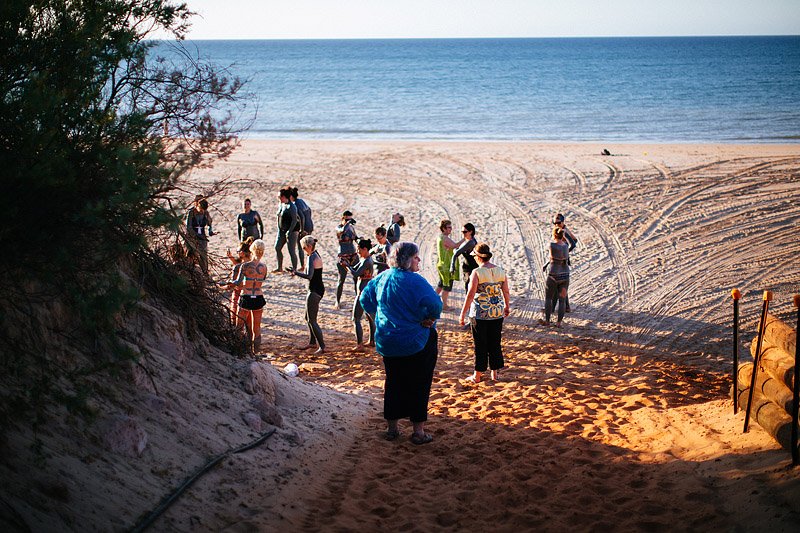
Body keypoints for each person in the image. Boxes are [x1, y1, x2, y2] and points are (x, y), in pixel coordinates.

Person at [360, 242, 442, 445]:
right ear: (407, 260)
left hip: (388, 341)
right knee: (419, 383)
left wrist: (379, 316)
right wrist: (428, 319)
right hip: (414, 340)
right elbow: (436, 305)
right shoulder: (415, 281)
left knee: (394, 382)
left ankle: (392, 429)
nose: (419, 261)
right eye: (416, 257)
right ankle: (418, 432)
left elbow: (365, 299)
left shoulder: (382, 277)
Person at [459, 243, 510, 383]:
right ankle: (495, 374)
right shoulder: (500, 271)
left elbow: (470, 295)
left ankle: (478, 375)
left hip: (480, 313)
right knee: (495, 342)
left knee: (480, 344)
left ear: (478, 257)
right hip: (497, 311)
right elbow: (506, 291)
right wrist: (507, 306)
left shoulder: (477, 272)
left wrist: (462, 313)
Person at [291, 235, 325, 353]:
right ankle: (312, 342)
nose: (304, 250)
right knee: (308, 317)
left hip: (314, 290)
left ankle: (322, 346)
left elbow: (309, 276)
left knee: (312, 320)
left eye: (304, 248)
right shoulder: (314, 255)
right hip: (317, 289)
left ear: (309, 246)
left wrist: (296, 273)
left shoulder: (312, 258)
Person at [233, 239, 268, 351]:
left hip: (246, 296)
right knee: (256, 328)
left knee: (239, 326)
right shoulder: (264, 267)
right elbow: (262, 280)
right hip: (258, 297)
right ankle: (256, 353)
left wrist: (227, 283)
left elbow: (238, 282)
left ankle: (237, 350)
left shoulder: (245, 266)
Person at [346, 238, 375, 348]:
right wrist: (348, 264)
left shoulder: (366, 261)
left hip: (362, 292)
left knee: (356, 318)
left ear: (365, 249)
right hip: (366, 290)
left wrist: (347, 266)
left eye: (359, 249)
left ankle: (359, 344)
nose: (357, 251)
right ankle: (372, 340)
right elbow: (355, 269)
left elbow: (355, 273)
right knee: (369, 317)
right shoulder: (366, 259)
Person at [540, 226, 570, 328]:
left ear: (554, 235)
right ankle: (558, 323)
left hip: (553, 275)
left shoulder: (551, 245)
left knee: (548, 298)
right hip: (565, 276)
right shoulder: (566, 246)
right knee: (562, 300)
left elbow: (551, 256)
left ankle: (547, 321)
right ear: (562, 236)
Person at [220, 239, 252, 328]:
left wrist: (222, 287)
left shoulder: (240, 266)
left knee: (235, 317)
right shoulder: (253, 264)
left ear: (242, 253)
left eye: (238, 251)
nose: (237, 253)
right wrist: (231, 257)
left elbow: (236, 282)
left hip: (239, 293)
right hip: (251, 292)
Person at [551, 213, 577, 313]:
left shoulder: (564, 231)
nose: (556, 225)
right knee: (561, 283)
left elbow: (574, 243)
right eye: (554, 223)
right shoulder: (562, 230)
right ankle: (566, 307)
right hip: (560, 260)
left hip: (561, 261)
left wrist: (565, 252)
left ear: (563, 222)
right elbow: (575, 239)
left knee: (558, 283)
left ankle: (561, 308)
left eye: (558, 222)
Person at [435, 219, 462, 310]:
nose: (451, 229)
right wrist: (465, 239)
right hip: (446, 265)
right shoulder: (445, 238)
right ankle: (444, 305)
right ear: (444, 228)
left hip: (441, 264)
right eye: (449, 227)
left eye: (451, 227)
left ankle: (432, 300)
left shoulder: (441, 237)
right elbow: (455, 246)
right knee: (446, 286)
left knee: (441, 284)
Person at [335, 210, 359, 309]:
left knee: (356, 278)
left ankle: (358, 300)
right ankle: (337, 301)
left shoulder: (351, 228)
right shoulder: (339, 227)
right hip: (343, 255)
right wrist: (347, 224)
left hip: (352, 254)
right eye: (347, 219)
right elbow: (341, 233)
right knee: (341, 279)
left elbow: (355, 238)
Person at [186, 196, 215, 275]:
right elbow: (188, 228)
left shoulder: (205, 213)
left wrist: (210, 231)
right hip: (191, 238)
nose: (202, 211)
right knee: (191, 255)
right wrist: (196, 236)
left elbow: (209, 223)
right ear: (197, 205)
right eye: (201, 209)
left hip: (202, 238)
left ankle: (205, 273)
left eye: (203, 210)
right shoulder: (191, 212)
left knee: (204, 256)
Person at [274, 187, 299, 272]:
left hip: (291, 231)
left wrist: (289, 231)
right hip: (282, 230)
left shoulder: (292, 207)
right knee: (277, 247)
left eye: (280, 197)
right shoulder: (281, 205)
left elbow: (295, 220)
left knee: (291, 250)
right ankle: (279, 267)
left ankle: (294, 269)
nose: (279, 199)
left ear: (285, 197)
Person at [290, 187, 314, 269]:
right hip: (310, 225)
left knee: (301, 247)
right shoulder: (301, 201)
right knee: (310, 246)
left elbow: (301, 217)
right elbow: (309, 210)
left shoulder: (295, 205)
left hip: (305, 227)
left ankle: (302, 266)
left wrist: (302, 230)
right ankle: (310, 264)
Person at [450, 223, 478, 292]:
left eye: (465, 232)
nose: (463, 234)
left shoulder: (470, 243)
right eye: (462, 232)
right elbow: (457, 250)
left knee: (469, 289)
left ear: (471, 232)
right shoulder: (469, 241)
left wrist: (452, 266)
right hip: (469, 268)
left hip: (471, 268)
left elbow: (456, 253)